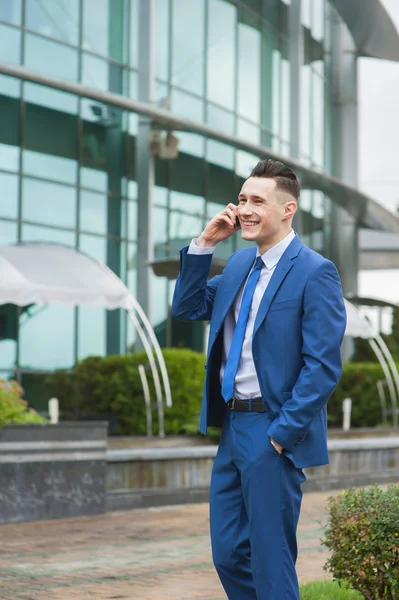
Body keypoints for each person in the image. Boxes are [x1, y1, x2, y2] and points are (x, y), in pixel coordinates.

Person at [172, 159, 347, 600]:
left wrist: (282, 434)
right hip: (233, 427)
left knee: (271, 560)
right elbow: (188, 307)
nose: (245, 209)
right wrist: (205, 243)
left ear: (287, 209)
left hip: (272, 430)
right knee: (228, 553)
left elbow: (323, 365)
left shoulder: (315, 271)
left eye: (257, 202)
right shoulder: (236, 266)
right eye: (242, 199)